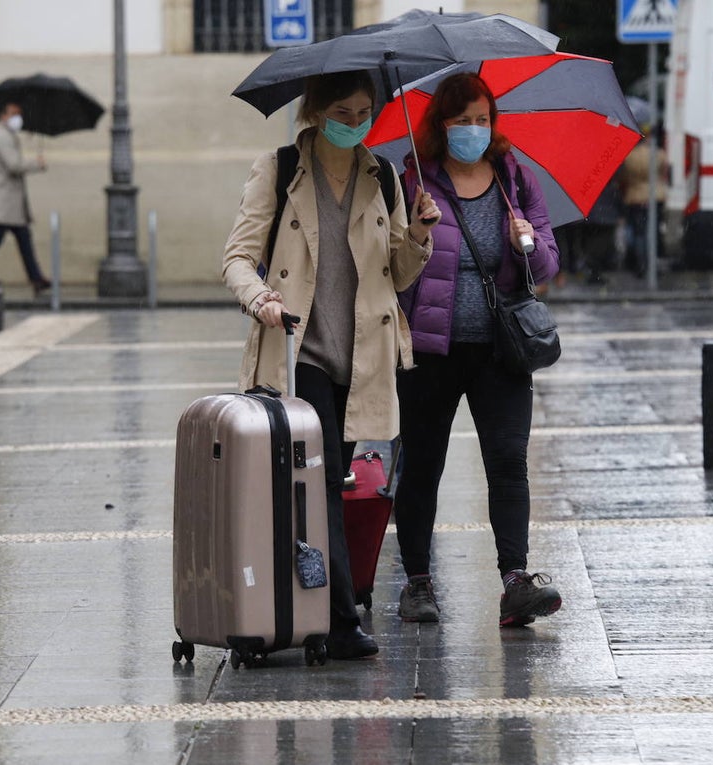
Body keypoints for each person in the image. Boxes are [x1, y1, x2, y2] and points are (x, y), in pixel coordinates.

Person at [221, 69, 441, 660]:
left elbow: (395, 274)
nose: (354, 124)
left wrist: (419, 234)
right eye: (342, 113)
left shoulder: (384, 174)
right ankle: (341, 620)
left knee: (327, 486)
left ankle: (311, 607)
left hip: (365, 356)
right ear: (316, 111)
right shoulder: (281, 167)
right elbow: (238, 258)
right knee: (320, 482)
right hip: (300, 353)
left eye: (364, 113)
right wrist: (260, 296)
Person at [392, 72, 563, 628]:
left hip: (500, 350)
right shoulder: (414, 180)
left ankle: (515, 579)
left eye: (482, 119)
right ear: (441, 125)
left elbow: (548, 266)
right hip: (430, 348)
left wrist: (527, 244)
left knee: (509, 461)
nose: (473, 129)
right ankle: (417, 582)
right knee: (422, 465)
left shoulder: (516, 180)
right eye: (461, 119)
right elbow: (391, 271)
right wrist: (416, 232)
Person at [0, 101, 51, 295]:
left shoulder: (6, 135)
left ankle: (36, 277)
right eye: (14, 113)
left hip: (11, 202)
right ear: (3, 115)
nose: (18, 118)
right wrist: (36, 164)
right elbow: (13, 165)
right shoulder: (2, 137)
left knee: (22, 239)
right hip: (5, 201)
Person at [620, 122, 668, 277]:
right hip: (655, 196)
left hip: (635, 197)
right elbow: (664, 173)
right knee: (652, 232)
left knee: (639, 233)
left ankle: (640, 264)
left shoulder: (630, 156)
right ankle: (651, 264)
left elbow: (624, 177)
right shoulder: (659, 154)